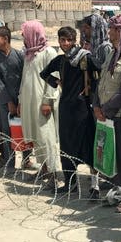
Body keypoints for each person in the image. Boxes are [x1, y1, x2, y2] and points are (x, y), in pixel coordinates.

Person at [40, 26, 98, 193]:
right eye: (62, 40)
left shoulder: (85, 58)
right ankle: (71, 183)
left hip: (83, 109)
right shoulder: (61, 60)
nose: (65, 43)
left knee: (87, 146)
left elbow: (99, 73)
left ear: (74, 40)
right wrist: (57, 82)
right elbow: (44, 73)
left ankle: (94, 186)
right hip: (66, 109)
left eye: (68, 40)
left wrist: (89, 89)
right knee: (66, 147)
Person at [17, 20, 61, 184]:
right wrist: (21, 101)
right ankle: (43, 170)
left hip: (42, 104)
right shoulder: (29, 54)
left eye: (24, 34)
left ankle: (54, 174)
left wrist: (47, 101)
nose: (23, 37)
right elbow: (24, 80)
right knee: (36, 137)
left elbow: (54, 78)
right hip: (30, 103)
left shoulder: (48, 52)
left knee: (46, 138)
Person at [93, 15, 121, 190]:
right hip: (104, 114)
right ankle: (112, 184)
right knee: (108, 152)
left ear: (119, 31)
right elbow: (101, 81)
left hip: (118, 114)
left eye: (111, 29)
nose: (108, 32)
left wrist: (106, 109)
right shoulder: (111, 53)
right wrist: (96, 105)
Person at [0, 25, 24, 168]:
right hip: (5, 101)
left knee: (23, 129)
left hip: (22, 98)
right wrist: (9, 101)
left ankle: (26, 160)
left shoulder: (19, 55)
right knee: (7, 130)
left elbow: (24, 78)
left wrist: (21, 100)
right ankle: (10, 161)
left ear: (5, 39)